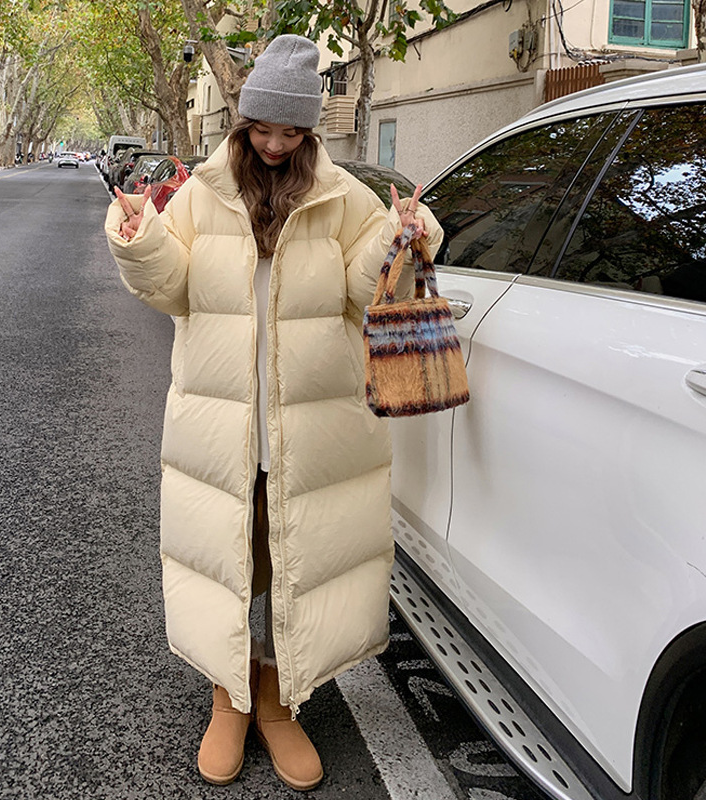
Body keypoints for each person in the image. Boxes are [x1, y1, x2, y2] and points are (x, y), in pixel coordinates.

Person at [104, 34, 442, 791]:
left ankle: (281, 700)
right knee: (234, 559)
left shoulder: (342, 194)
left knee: (298, 558)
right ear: (243, 121)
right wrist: (140, 239)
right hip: (221, 421)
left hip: (314, 422)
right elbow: (175, 290)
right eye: (264, 128)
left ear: (311, 131)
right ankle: (229, 696)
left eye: (292, 131)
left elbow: (364, 291)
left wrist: (403, 235)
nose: (276, 143)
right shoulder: (202, 190)